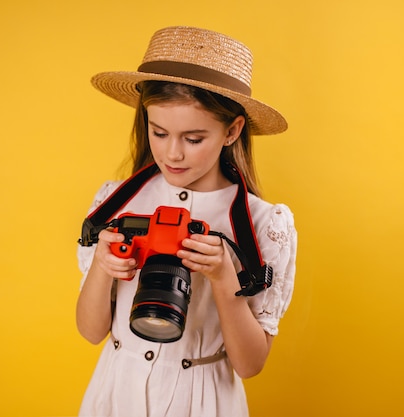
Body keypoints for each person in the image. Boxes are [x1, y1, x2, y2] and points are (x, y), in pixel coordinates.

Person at [75, 26, 297, 417]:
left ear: (232, 130)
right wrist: (102, 266)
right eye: (159, 133)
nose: (172, 153)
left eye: (193, 139)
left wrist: (224, 277)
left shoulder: (263, 223)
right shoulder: (117, 203)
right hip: (116, 391)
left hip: (202, 400)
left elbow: (250, 364)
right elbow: (92, 332)